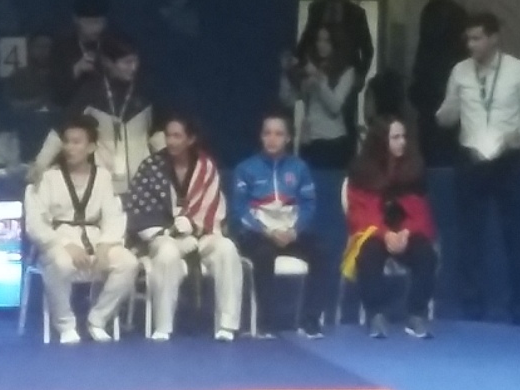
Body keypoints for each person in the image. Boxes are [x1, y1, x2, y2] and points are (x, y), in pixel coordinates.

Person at [436, 12, 520, 326]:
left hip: (507, 158)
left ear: (494, 38)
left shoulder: (517, 70)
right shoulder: (459, 72)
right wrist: (445, 113)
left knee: (516, 235)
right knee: (470, 234)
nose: (471, 45)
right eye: (468, 39)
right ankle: (472, 305)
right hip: (471, 157)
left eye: (477, 38)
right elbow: (447, 115)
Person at [126, 115, 243, 342]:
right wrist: (170, 232)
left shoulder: (206, 167)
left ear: (191, 139)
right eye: (168, 135)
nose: (171, 141)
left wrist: (194, 227)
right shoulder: (151, 166)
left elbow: (212, 207)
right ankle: (163, 325)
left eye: (177, 136)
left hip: (200, 233)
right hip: (163, 235)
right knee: (167, 253)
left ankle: (227, 325)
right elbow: (139, 209)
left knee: (226, 248)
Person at [24, 114, 139, 344]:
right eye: (67, 142)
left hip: (95, 240)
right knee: (62, 262)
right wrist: (65, 244)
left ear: (91, 147)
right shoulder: (48, 177)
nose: (70, 148)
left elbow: (114, 216)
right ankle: (65, 324)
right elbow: (35, 223)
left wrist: (105, 246)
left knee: (128, 263)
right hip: (57, 240)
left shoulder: (103, 177)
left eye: (77, 142)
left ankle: (98, 319)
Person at [342, 116, 437, 340]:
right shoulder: (362, 170)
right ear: (381, 140)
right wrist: (385, 234)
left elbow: (421, 212)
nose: (402, 142)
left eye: (404, 137)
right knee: (368, 255)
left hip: (406, 232)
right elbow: (361, 213)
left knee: (427, 255)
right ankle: (375, 315)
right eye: (395, 137)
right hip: (374, 231)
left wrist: (406, 232)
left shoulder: (414, 169)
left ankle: (416, 314)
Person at [233, 113, 326, 339]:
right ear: (261, 137)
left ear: (288, 138)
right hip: (258, 233)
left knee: (322, 252)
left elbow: (309, 205)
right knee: (263, 254)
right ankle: (266, 324)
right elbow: (240, 208)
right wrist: (265, 231)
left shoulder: (299, 168)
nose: (272, 139)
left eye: (278, 134)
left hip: (291, 232)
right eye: (267, 133)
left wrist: (295, 230)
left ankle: (310, 321)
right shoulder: (246, 168)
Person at [30, 49, 163, 195]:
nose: (134, 67)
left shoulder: (146, 91)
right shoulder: (91, 92)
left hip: (142, 187)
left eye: (135, 61)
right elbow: (62, 129)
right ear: (109, 62)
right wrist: (40, 165)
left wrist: (170, 172)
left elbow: (158, 135)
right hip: (103, 186)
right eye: (127, 62)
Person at [297, 0, 375, 145]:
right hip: (320, 70)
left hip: (346, 72)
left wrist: (360, 75)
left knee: (347, 119)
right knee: (317, 113)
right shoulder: (317, 9)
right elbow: (307, 38)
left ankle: (346, 154)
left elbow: (367, 49)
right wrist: (301, 65)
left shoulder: (356, 13)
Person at [410, 0, 467, 165]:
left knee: (445, 136)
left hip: (445, 80)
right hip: (428, 82)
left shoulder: (456, 13)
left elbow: (460, 51)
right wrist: (417, 76)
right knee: (427, 134)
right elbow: (423, 46)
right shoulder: (428, 11)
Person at [281, 26, 355, 169]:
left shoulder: (347, 71)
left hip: (333, 141)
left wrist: (318, 79)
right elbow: (288, 100)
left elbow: (335, 107)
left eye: (326, 40)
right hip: (309, 140)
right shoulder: (308, 69)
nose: (321, 44)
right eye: (318, 40)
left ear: (335, 43)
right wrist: (287, 73)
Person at [48, 0, 135, 110]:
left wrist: (114, 70)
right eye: (89, 23)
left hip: (110, 109)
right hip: (72, 110)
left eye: (99, 22)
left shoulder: (116, 45)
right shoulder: (61, 48)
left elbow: (134, 83)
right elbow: (55, 93)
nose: (95, 28)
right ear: (76, 20)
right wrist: (76, 70)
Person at [3, 32, 54, 111]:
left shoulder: (63, 75)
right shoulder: (18, 76)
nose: (43, 51)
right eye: (39, 46)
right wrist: (37, 103)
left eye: (48, 47)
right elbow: (10, 104)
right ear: (30, 49)